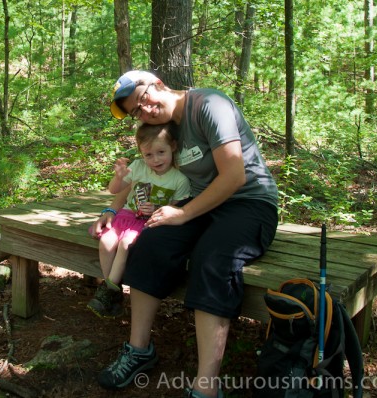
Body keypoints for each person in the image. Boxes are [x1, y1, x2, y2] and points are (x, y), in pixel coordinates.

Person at [97, 70, 279, 398]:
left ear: (158, 84)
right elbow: (140, 173)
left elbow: (235, 175)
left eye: (143, 101)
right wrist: (113, 209)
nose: (146, 111)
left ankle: (206, 387)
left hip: (249, 203)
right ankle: (139, 350)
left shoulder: (210, 104)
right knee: (150, 242)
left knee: (211, 261)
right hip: (199, 203)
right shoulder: (164, 128)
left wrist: (182, 213)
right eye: (137, 112)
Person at [87, 123, 191, 318]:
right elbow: (115, 190)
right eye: (148, 155)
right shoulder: (138, 167)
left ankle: (107, 292)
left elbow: (177, 209)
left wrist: (158, 209)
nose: (155, 159)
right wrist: (118, 178)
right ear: (141, 153)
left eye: (161, 152)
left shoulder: (179, 180)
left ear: (173, 147)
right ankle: (113, 291)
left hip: (148, 223)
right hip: (126, 216)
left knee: (125, 244)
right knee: (106, 241)